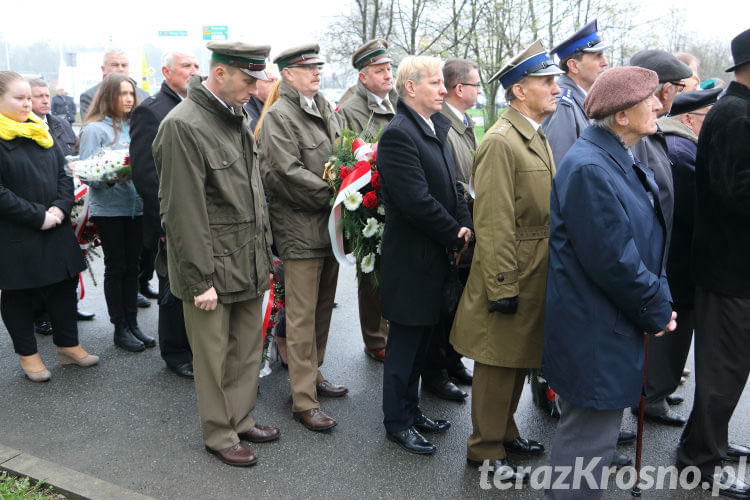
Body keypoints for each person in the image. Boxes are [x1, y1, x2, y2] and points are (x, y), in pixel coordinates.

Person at [542, 66, 676, 500]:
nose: (659, 105)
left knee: (592, 447)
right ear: (621, 115)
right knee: (585, 448)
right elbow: (614, 260)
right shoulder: (590, 168)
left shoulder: (614, 156)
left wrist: (659, 296)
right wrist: (656, 307)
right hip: (594, 332)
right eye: (650, 99)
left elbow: (644, 239)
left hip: (608, 323)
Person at [153, 41, 280, 467]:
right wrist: (198, 279)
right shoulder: (183, 125)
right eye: (248, 79)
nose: (254, 88)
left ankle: (241, 420)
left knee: (246, 350)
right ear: (221, 74)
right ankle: (219, 434)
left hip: (246, 259)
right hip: (211, 268)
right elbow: (182, 211)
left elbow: (252, 197)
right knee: (212, 357)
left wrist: (266, 258)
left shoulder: (235, 115)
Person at [450, 40, 561, 481]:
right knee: (497, 361)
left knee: (517, 356)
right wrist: (501, 285)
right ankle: (485, 448)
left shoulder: (531, 134)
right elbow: (494, 223)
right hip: (511, 268)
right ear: (519, 91)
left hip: (532, 267)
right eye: (546, 81)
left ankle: (506, 430)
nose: (556, 88)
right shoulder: (501, 142)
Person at [377, 55, 473, 455]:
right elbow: (415, 200)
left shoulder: (434, 127)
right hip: (412, 261)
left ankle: (412, 411)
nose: (443, 89)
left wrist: (464, 220)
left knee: (423, 344)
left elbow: (454, 186)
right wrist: (454, 231)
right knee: (404, 346)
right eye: (434, 83)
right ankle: (397, 422)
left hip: (435, 258)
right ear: (411, 88)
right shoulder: (399, 134)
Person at [676, 28, 750, 499]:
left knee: (729, 371)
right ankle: (699, 463)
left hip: (736, 268)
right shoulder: (735, 115)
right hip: (730, 270)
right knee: (722, 374)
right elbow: (734, 193)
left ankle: (709, 445)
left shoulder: (738, 111)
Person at [258, 43, 347, 432]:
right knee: (300, 315)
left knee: (322, 307)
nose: (316, 72)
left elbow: (344, 154)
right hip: (299, 229)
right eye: (306, 67)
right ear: (288, 75)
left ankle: (314, 374)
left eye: (318, 66)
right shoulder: (280, 115)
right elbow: (284, 173)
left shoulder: (325, 107)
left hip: (329, 227)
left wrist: (351, 186)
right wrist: (338, 194)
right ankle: (302, 398)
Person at [0, 71, 98, 383]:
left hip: (54, 225)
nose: (27, 103)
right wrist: (38, 216)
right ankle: (28, 355)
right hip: (17, 232)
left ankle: (68, 346)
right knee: (20, 294)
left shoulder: (39, 130)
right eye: (19, 98)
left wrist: (60, 206)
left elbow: (62, 174)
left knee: (63, 286)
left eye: (29, 97)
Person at [630, 49, 692, 426]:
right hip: (642, 257)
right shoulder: (637, 134)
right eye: (680, 87)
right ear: (664, 89)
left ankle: (643, 397)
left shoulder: (653, 130)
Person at [130, 51, 199, 378]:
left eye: (197, 66)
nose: (193, 71)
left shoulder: (196, 106)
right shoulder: (151, 111)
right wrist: (166, 223)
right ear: (166, 72)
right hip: (169, 220)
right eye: (186, 66)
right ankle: (175, 353)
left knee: (193, 284)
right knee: (172, 288)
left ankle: (193, 345)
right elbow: (146, 175)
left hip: (196, 217)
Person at [655, 88, 722, 413]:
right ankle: (653, 396)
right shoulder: (681, 151)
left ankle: (658, 392)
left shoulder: (680, 146)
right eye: (707, 117)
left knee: (676, 330)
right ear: (688, 119)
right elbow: (693, 209)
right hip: (678, 258)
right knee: (671, 331)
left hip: (677, 257)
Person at [419, 57, 481, 401]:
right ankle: (437, 372)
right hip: (453, 231)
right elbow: (453, 185)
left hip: (466, 228)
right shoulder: (444, 126)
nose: (478, 91)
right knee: (443, 309)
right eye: (475, 85)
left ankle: (452, 360)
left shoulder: (464, 123)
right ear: (460, 89)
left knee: (457, 304)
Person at [335, 38, 398, 363]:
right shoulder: (350, 109)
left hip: (396, 197)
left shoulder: (396, 100)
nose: (388, 75)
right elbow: (343, 159)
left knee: (396, 270)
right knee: (371, 270)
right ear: (363, 76)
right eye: (380, 70)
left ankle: (393, 330)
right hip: (366, 202)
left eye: (389, 68)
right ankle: (375, 339)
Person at [79, 73, 151, 353]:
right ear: (108, 96)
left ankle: (133, 324)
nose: (129, 98)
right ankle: (120, 328)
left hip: (137, 206)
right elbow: (86, 173)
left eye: (131, 93)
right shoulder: (94, 130)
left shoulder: (136, 125)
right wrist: (110, 175)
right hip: (110, 209)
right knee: (117, 266)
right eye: (122, 93)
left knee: (134, 267)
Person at [542, 19, 609, 164]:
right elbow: (562, 168)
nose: (605, 62)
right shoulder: (563, 105)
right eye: (598, 56)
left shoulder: (581, 99)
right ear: (573, 66)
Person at [79, 49, 149, 121]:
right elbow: (91, 125)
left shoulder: (143, 95)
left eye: (124, 65)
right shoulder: (90, 96)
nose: (120, 69)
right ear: (103, 69)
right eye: (114, 65)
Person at [28, 79, 77, 157]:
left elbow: (76, 152)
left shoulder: (63, 124)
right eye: (39, 96)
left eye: (47, 96)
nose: (45, 101)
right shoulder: (23, 129)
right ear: (27, 99)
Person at [243, 66, 278, 132]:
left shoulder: (279, 107)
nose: (275, 85)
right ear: (255, 83)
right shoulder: (247, 114)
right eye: (270, 81)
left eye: (276, 80)